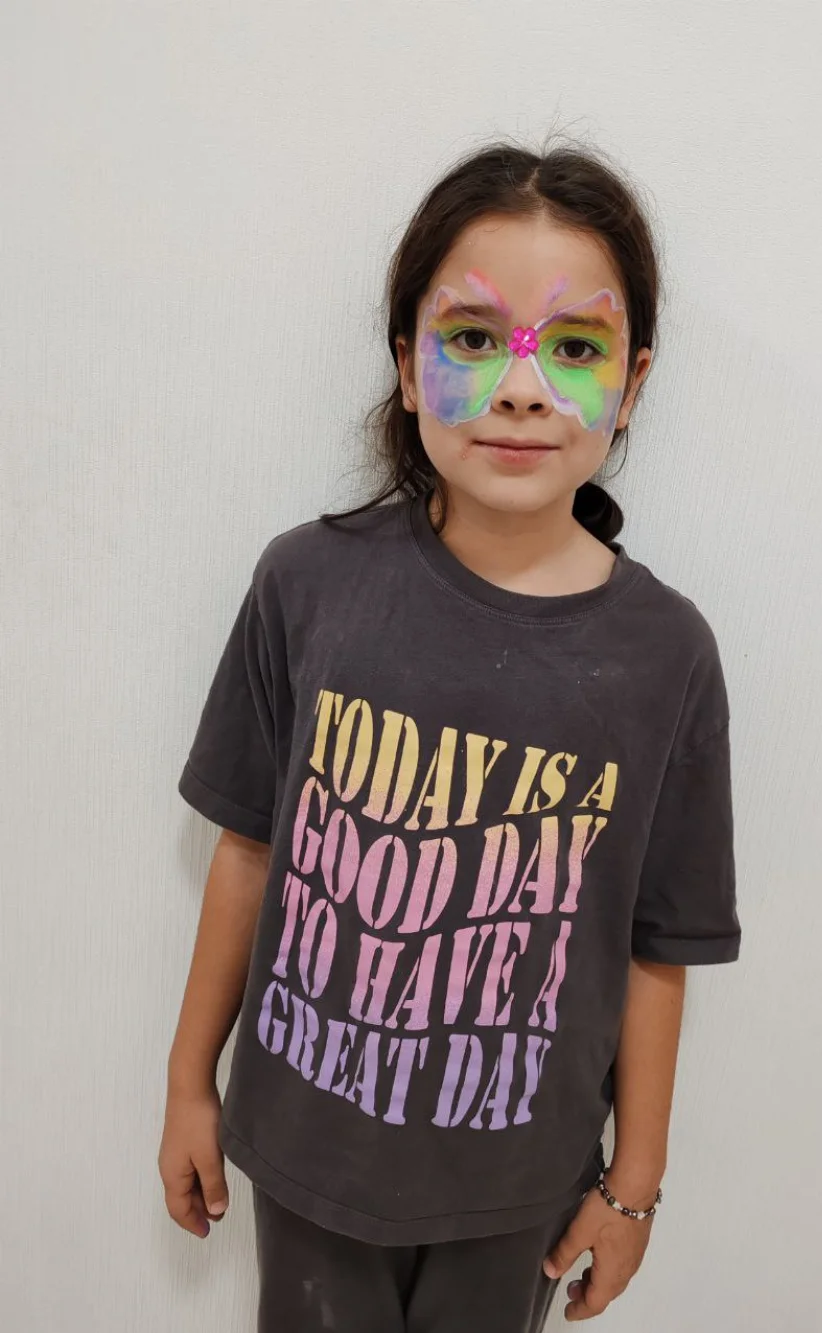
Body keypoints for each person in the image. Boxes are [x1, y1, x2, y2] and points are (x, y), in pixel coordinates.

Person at [159, 140, 742, 1332]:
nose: (521, 388)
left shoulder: (666, 655)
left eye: (571, 348)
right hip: (307, 1152)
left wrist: (633, 1185)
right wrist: (186, 1083)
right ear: (406, 363)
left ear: (631, 382)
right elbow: (248, 850)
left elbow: (656, 946)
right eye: (473, 338)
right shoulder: (307, 585)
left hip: (518, 1191)